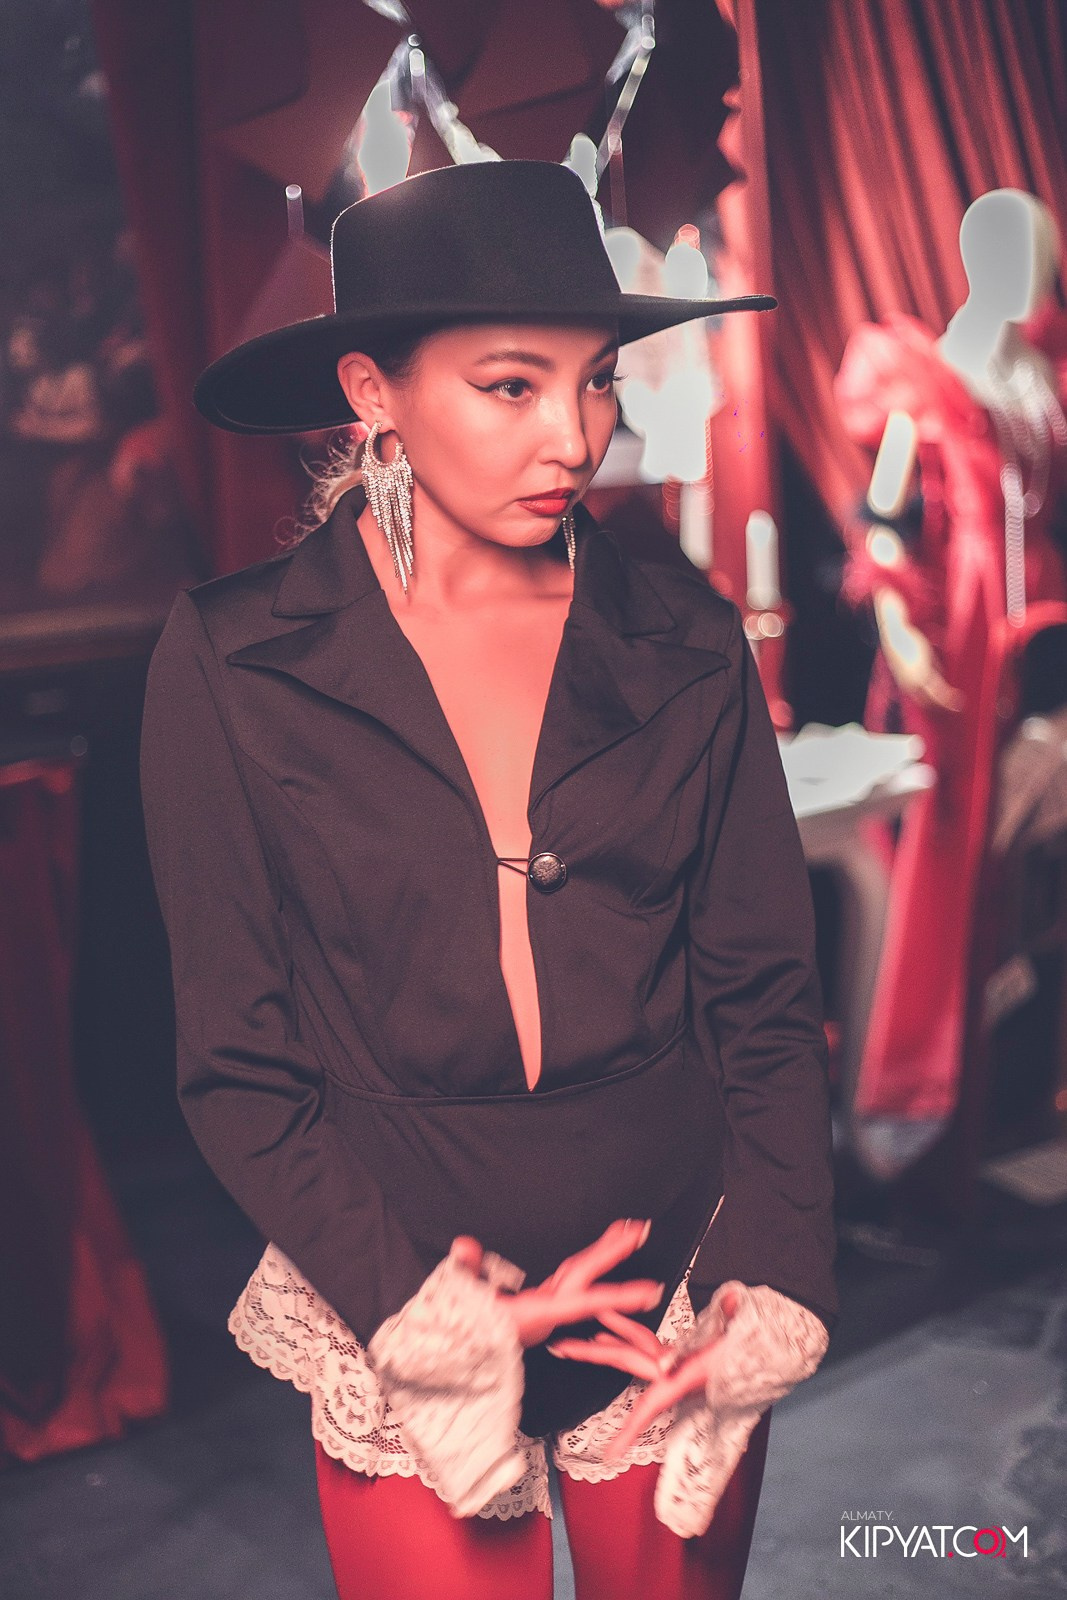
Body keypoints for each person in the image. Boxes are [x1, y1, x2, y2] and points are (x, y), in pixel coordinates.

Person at [140, 160, 838, 1600]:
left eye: (596, 383)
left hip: (667, 1294)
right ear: (373, 391)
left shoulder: (686, 641)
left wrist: (770, 1274)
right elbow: (237, 1064)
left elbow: (767, 1004)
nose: (573, 438)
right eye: (511, 386)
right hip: (406, 1303)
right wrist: (415, 1309)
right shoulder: (232, 661)